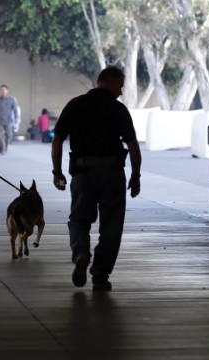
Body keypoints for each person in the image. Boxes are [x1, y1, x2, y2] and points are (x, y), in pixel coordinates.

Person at [51, 65, 142, 291]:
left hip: (83, 173)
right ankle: (100, 275)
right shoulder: (118, 109)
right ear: (109, 81)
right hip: (112, 173)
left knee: (79, 219)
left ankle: (81, 253)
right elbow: (132, 146)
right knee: (112, 225)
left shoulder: (75, 105)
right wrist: (136, 175)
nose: (120, 92)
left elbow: (57, 140)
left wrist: (57, 171)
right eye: (119, 86)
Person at [0, 84, 19, 154]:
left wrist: (17, 118)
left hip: (8, 120)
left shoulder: (11, 100)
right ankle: (3, 148)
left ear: (7, 91)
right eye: (1, 90)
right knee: (0, 135)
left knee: (9, 134)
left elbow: (15, 110)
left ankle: (6, 145)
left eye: (4, 90)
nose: (3, 91)